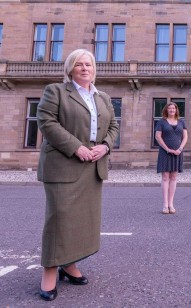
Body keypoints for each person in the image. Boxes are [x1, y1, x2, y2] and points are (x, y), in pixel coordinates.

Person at [36, 49, 119, 301]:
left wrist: (105, 146)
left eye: (89, 64)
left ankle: (69, 264)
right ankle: (49, 271)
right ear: (70, 69)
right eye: (79, 64)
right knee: (60, 220)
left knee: (83, 222)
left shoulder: (102, 97)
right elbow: (47, 122)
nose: (85, 68)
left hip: (92, 166)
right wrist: (77, 147)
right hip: (63, 164)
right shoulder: (56, 91)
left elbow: (114, 126)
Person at [155, 102, 188, 214]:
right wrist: (167, 149)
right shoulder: (161, 122)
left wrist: (180, 149)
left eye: (173, 108)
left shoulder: (181, 122)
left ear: (176, 110)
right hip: (165, 152)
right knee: (165, 177)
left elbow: (185, 137)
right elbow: (158, 137)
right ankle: (165, 205)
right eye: (169, 108)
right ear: (166, 110)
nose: (172, 110)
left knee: (174, 177)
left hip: (178, 152)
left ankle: (171, 204)